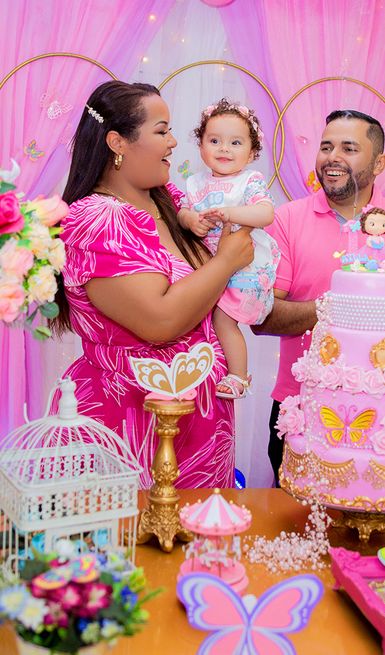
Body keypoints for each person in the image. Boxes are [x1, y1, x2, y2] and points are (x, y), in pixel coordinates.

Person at [53, 81, 255, 489]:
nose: (174, 141)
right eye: (161, 130)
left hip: (199, 418)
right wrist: (229, 260)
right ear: (118, 143)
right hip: (130, 414)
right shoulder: (100, 219)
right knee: (126, 544)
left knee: (198, 545)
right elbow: (159, 321)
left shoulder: (167, 198)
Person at [252, 109, 385, 482]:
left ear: (379, 163)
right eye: (326, 146)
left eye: (348, 147)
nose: (332, 157)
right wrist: (339, 307)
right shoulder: (286, 220)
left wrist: (372, 303)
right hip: (301, 402)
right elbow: (263, 318)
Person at [178, 99, 281, 401]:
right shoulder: (195, 183)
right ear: (201, 147)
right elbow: (183, 211)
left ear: (251, 153)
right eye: (214, 141)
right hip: (209, 265)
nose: (224, 149)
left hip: (245, 266)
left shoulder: (250, 181)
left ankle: (238, 376)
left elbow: (265, 214)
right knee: (200, 316)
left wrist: (230, 213)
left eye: (235, 142)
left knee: (224, 319)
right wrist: (191, 220)